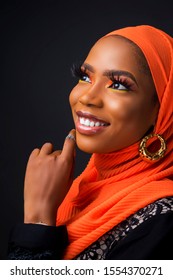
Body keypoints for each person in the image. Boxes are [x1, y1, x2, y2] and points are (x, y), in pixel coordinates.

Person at [7, 24, 173, 260]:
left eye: (117, 85)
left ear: (162, 109)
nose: (86, 97)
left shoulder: (163, 221)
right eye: (85, 77)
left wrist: (37, 219)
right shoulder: (80, 190)